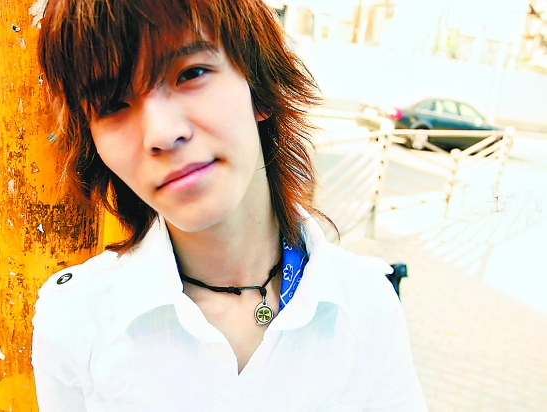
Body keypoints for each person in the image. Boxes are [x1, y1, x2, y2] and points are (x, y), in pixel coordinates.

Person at [31, 0, 428, 410]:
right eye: (112, 104)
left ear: (259, 84)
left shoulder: (366, 306)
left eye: (191, 73)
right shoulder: (75, 321)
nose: (162, 133)